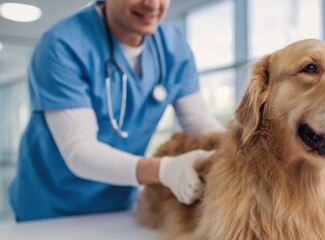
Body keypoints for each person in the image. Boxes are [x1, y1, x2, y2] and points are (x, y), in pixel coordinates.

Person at [9, 0, 223, 222]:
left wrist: (235, 151)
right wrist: (164, 169)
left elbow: (199, 123)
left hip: (119, 202)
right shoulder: (62, 44)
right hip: (51, 207)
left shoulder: (173, 45)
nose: (152, 4)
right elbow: (79, 150)